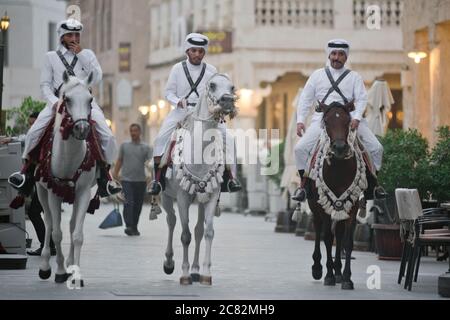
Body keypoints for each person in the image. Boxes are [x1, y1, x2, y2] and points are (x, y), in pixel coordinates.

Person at [8, 18, 121, 198]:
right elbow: (45, 85)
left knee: (107, 135)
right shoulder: (51, 57)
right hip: (58, 102)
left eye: (76, 34)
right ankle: (25, 174)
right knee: (33, 133)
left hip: (85, 104)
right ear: (62, 36)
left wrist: (81, 54)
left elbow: (97, 77)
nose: (74, 38)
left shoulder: (88, 54)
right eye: (70, 34)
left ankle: (106, 178)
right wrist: (54, 102)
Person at [292, 39, 386, 202]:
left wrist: (356, 118)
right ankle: (304, 186)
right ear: (329, 55)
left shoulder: (354, 77)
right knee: (299, 149)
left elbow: (362, 99)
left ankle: (373, 186)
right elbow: (305, 99)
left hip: (350, 120)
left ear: (346, 57)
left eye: (341, 54)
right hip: (323, 121)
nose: (337, 57)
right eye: (334, 54)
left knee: (377, 148)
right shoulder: (317, 75)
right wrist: (300, 120)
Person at [148, 33, 241, 196]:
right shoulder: (177, 68)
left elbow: (217, 91)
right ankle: (158, 179)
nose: (197, 54)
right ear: (187, 51)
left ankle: (230, 178)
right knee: (161, 138)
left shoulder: (212, 70)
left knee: (230, 139)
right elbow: (168, 92)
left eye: (200, 51)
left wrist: (219, 105)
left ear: (204, 53)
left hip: (207, 113)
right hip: (182, 111)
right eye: (194, 51)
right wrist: (177, 101)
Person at [1, 112, 56, 256]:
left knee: (34, 212)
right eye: (30, 124)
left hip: (47, 180)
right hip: (41, 180)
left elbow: (28, 140)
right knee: (43, 213)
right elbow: (27, 139)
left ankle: (48, 246)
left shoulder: (47, 135)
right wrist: (11, 139)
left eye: (34, 123)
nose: (32, 126)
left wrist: (11, 138)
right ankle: (50, 245)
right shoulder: (38, 134)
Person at [113, 124, 152, 236]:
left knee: (138, 205)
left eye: (135, 131)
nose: (133, 133)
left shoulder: (146, 147)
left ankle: (134, 226)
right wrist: (115, 174)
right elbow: (119, 160)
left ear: (140, 132)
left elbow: (150, 163)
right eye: (131, 131)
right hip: (126, 180)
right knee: (128, 202)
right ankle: (129, 225)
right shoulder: (124, 146)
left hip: (141, 181)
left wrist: (150, 176)